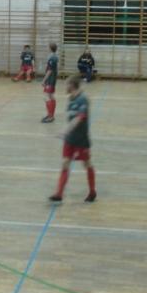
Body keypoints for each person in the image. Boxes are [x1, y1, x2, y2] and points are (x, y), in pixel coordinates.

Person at [49, 75, 96, 203]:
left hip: (81, 139)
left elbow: (79, 118)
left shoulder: (83, 99)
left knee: (87, 164)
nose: (65, 86)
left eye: (67, 84)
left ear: (72, 85)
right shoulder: (70, 99)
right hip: (70, 139)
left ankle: (92, 191)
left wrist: (66, 130)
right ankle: (59, 194)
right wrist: (67, 132)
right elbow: (70, 118)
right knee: (65, 163)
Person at [41, 43, 59, 123]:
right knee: (51, 96)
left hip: (50, 80)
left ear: (50, 48)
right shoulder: (54, 56)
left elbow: (50, 70)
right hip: (52, 79)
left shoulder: (52, 58)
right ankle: (50, 115)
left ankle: (50, 116)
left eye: (47, 47)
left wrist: (44, 80)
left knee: (46, 96)